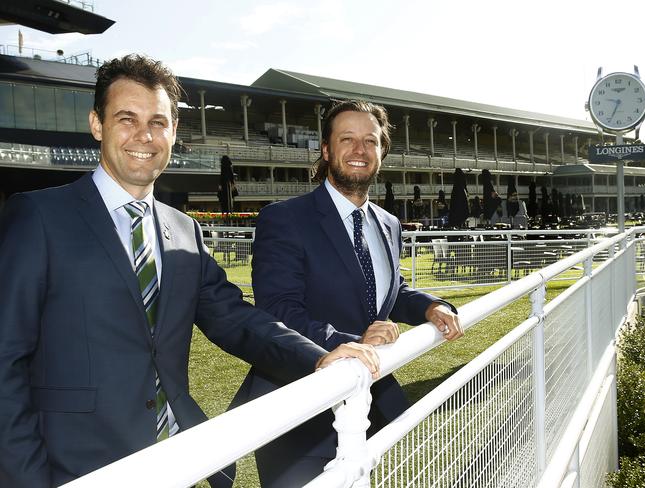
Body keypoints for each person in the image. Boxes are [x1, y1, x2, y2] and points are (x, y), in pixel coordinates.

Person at [0, 55, 380, 488]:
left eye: (159, 122)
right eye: (127, 118)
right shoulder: (39, 216)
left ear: (174, 132)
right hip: (77, 467)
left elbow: (236, 318)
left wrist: (320, 356)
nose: (145, 135)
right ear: (96, 124)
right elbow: (5, 360)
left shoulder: (182, 229)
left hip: (174, 457)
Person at [233, 100, 463, 487]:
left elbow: (389, 289)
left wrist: (430, 306)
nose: (359, 150)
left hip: (365, 407)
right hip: (301, 413)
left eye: (370, 141)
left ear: (382, 151)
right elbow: (278, 308)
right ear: (326, 150)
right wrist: (351, 341)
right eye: (347, 139)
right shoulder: (285, 217)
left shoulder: (388, 223)